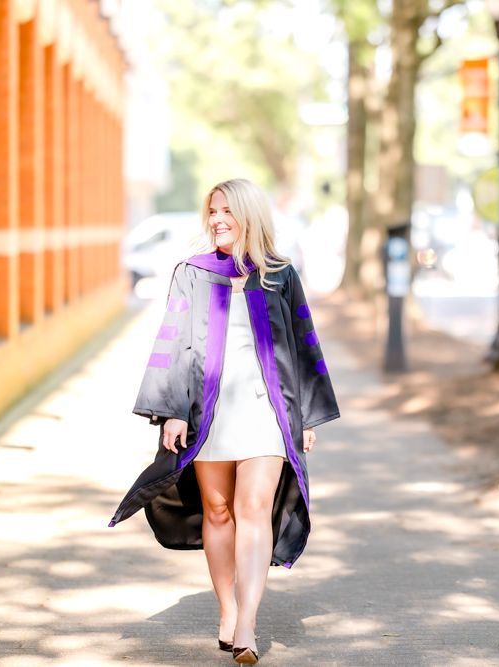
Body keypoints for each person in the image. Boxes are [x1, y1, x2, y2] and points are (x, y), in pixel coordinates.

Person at [107, 178, 341, 664]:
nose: (215, 220)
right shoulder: (193, 273)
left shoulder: (280, 275)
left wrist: (309, 414)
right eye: (211, 211)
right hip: (208, 409)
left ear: (249, 216)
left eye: (225, 212)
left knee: (254, 507)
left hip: (267, 407)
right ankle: (227, 608)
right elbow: (171, 344)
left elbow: (304, 345)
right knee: (218, 510)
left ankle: (249, 624)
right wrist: (170, 410)